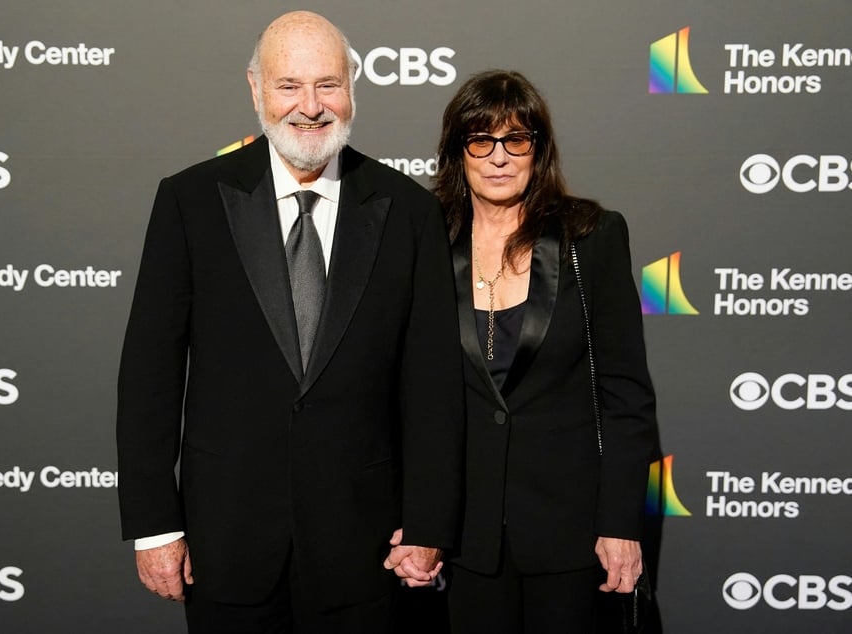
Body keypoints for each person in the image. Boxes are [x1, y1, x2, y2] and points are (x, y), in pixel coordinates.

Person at [116, 11, 464, 633]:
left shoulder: (408, 210)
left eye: (328, 84)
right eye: (289, 86)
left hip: (368, 546)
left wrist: (430, 520)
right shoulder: (190, 201)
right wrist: (154, 525)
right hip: (226, 543)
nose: (311, 106)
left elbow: (432, 381)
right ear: (256, 89)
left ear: (353, 88)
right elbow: (150, 375)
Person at [432, 70, 658, 633]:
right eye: (481, 140)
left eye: (517, 140)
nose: (499, 157)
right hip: (463, 534)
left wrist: (620, 524)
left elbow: (626, 394)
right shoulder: (425, 240)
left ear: (539, 149)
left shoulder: (592, 237)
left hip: (571, 533)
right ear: (459, 151)